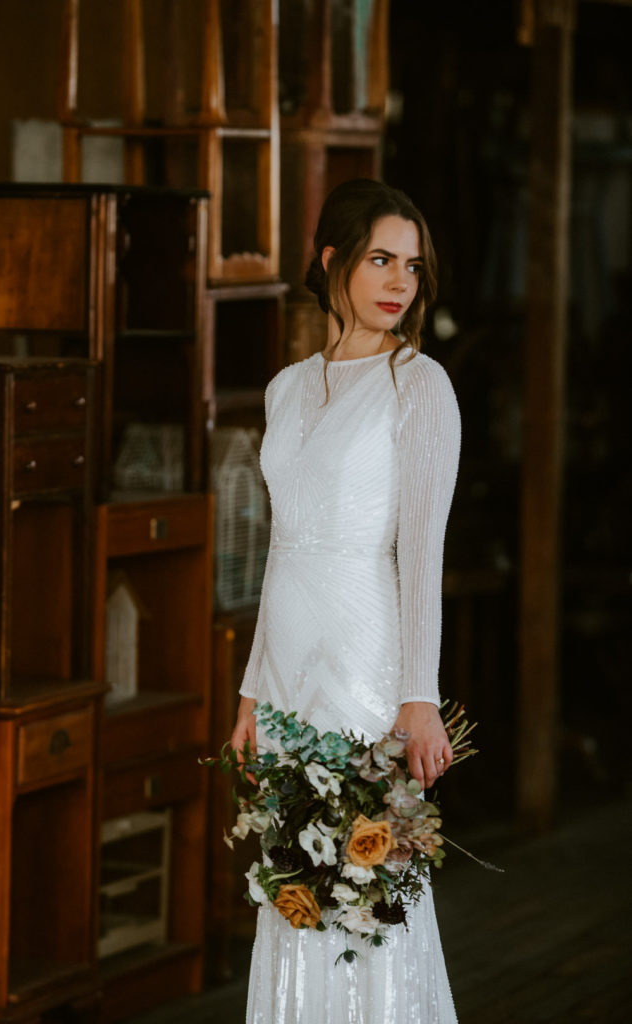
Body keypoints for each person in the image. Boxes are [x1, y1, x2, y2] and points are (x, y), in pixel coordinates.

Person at [230, 178, 460, 1023]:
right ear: (331, 261)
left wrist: (418, 695)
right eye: (378, 259)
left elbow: (421, 552)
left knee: (366, 883)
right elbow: (279, 551)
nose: (399, 281)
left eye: (410, 265)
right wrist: (253, 691)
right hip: (290, 665)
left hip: (367, 664)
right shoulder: (286, 388)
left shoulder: (419, 384)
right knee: (292, 884)